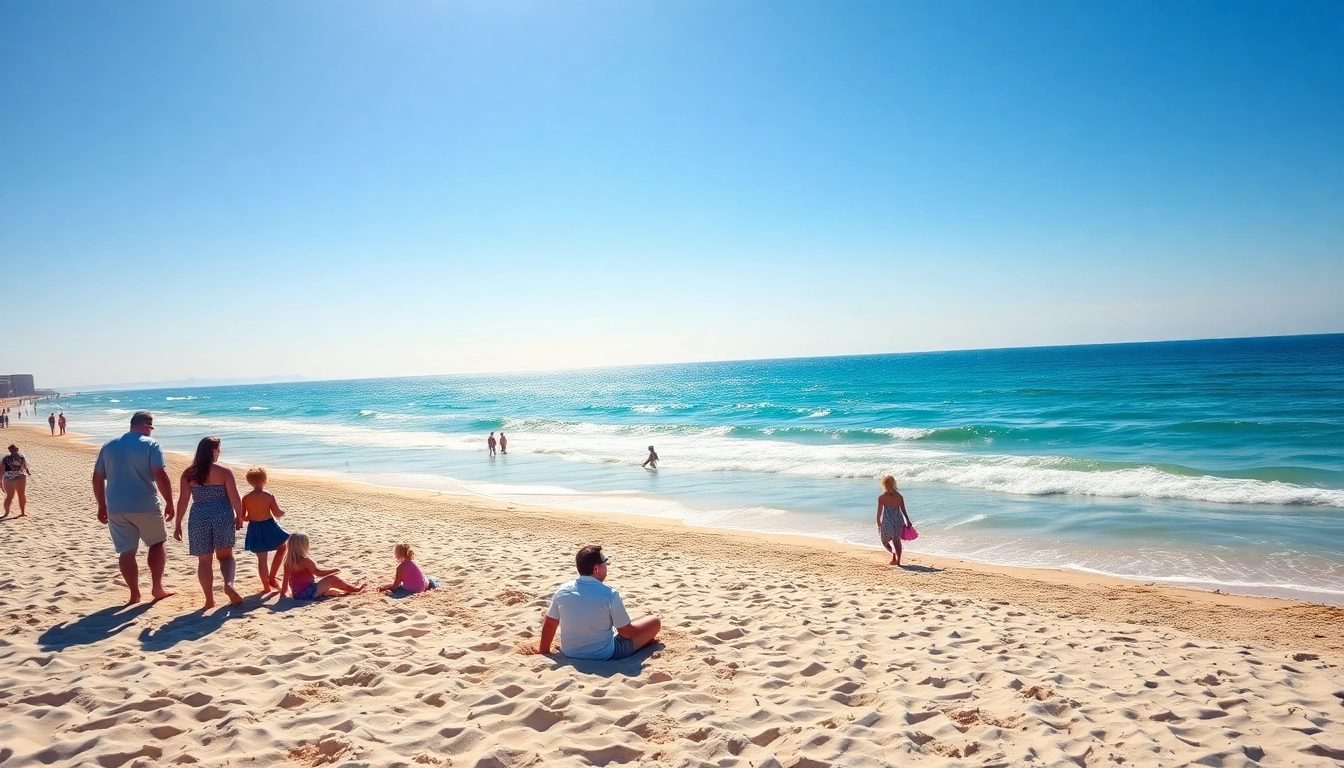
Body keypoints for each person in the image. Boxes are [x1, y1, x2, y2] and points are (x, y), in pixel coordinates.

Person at [92, 411, 175, 604]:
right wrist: (170, 502)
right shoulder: (151, 444)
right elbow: (160, 475)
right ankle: (157, 588)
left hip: (116, 506)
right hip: (145, 504)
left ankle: (134, 594)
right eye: (150, 428)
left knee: (126, 550)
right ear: (146, 426)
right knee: (156, 543)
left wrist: (101, 505)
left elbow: (97, 478)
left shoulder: (109, 446)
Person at [537, 545, 661, 660]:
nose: (606, 566)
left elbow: (550, 623)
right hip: (604, 653)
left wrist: (544, 650)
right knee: (654, 621)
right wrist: (641, 627)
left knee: (552, 613)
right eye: (605, 563)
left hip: (570, 652)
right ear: (596, 568)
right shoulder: (610, 594)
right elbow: (627, 633)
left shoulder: (562, 590)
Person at [173, 436, 246, 609]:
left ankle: (209, 599)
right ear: (213, 451)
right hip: (222, 515)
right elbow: (235, 498)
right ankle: (228, 584)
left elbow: (183, 501)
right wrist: (239, 516)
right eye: (219, 449)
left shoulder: (189, 473)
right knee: (226, 556)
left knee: (204, 561)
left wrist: (177, 524)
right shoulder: (224, 472)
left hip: (199, 516)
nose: (219, 453)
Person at [241, 466, 290, 593]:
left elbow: (243, 517)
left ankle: (266, 586)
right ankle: (272, 576)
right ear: (264, 479)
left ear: (250, 481)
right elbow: (277, 513)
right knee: (282, 547)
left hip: (254, 527)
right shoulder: (268, 495)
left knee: (261, 559)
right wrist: (283, 512)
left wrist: (252, 515)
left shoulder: (246, 498)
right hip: (268, 525)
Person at [281, 532, 364, 600]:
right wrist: (334, 570)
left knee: (330, 589)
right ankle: (354, 589)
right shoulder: (305, 560)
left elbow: (286, 579)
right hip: (308, 592)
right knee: (332, 579)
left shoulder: (288, 561)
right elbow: (318, 573)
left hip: (297, 595)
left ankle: (347, 586)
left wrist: (283, 593)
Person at [877, 475, 913, 566]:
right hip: (898, 520)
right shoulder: (899, 497)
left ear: (884, 484)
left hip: (887, 521)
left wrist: (879, 523)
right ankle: (898, 561)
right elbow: (903, 510)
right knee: (897, 541)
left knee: (885, 541)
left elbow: (879, 513)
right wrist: (907, 520)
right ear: (894, 483)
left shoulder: (882, 497)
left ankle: (894, 554)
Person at [2, 444, 31, 518]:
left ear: (16, 449)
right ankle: (6, 513)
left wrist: (28, 472)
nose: (12, 451)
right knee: (9, 496)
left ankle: (22, 512)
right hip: (9, 478)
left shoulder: (21, 457)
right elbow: (1, 469)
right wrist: (0, 481)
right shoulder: (6, 458)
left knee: (21, 495)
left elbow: (25, 466)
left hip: (20, 476)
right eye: (10, 450)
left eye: (13, 449)